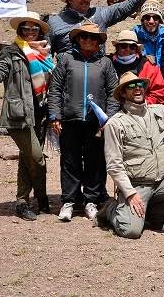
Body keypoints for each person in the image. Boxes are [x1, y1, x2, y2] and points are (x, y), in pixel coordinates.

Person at [0, 12, 53, 220]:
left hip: (41, 115)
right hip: (19, 115)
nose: (30, 32)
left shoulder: (46, 53)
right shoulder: (10, 52)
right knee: (37, 158)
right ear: (19, 31)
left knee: (27, 159)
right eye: (25, 28)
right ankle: (37, 198)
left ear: (40, 31)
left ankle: (26, 202)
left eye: (34, 28)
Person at [99, 72, 164, 239]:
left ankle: (150, 215)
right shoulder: (115, 124)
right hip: (137, 185)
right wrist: (130, 193)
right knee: (131, 231)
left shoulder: (159, 112)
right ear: (123, 93)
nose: (137, 88)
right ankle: (110, 208)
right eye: (131, 86)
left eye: (140, 85)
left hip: (162, 181)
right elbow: (114, 165)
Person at [48, 23, 119, 222]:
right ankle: (69, 201)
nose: (88, 40)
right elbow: (55, 89)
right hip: (69, 120)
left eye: (93, 38)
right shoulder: (66, 60)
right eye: (84, 36)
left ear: (98, 42)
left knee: (95, 161)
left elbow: (113, 94)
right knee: (69, 162)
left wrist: (108, 118)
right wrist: (55, 115)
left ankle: (91, 201)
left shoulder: (105, 63)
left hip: (96, 123)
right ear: (78, 39)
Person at [47, 0, 160, 54]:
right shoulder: (55, 22)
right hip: (69, 79)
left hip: (99, 76)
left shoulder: (99, 14)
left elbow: (127, 6)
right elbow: (45, 56)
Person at [109, 30, 164, 104]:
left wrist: (141, 104)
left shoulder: (149, 65)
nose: (128, 49)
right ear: (117, 47)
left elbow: (159, 94)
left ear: (136, 49)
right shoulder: (108, 63)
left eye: (132, 47)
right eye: (123, 46)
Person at [133, 1, 164, 66]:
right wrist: (143, 58)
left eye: (155, 18)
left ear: (159, 20)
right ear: (142, 20)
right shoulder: (133, 36)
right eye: (147, 18)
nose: (151, 21)